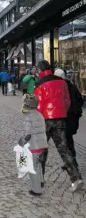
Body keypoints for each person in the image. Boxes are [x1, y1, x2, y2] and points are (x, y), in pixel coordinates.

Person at [34, 60, 83, 192]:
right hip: (60, 118)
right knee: (64, 149)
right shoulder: (62, 82)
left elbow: (37, 106)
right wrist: (61, 112)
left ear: (40, 70)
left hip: (45, 120)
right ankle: (76, 178)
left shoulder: (39, 84)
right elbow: (67, 101)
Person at [54, 68, 84, 170]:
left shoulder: (61, 87)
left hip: (65, 117)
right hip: (71, 117)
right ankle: (71, 160)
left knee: (64, 139)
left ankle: (71, 161)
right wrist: (76, 111)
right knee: (67, 138)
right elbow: (80, 99)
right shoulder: (71, 85)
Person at [20, 94, 47, 196]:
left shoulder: (28, 117)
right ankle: (41, 181)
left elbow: (27, 134)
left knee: (32, 168)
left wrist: (21, 144)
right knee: (38, 164)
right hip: (42, 144)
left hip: (33, 146)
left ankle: (36, 190)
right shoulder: (39, 115)